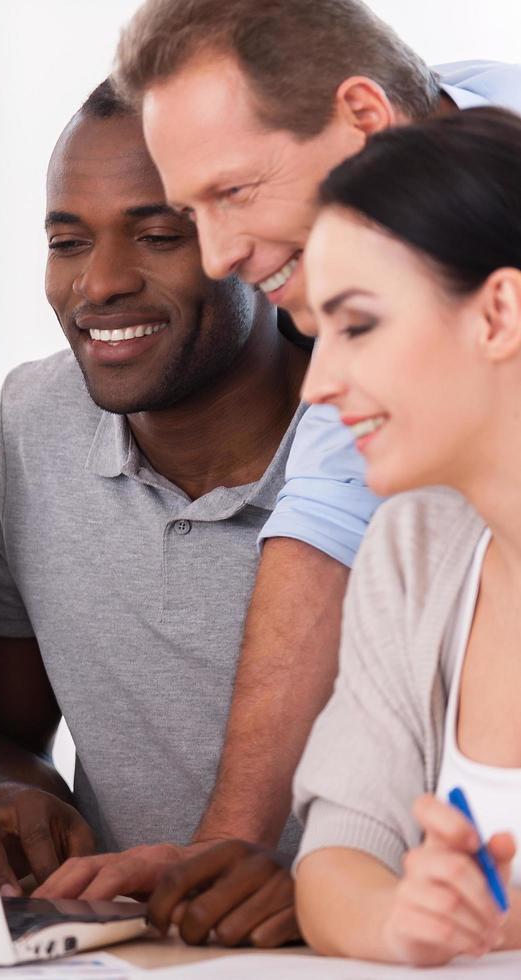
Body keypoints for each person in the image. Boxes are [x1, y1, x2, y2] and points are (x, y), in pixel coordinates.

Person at [100, 0, 521, 928]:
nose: (214, 258)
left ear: (364, 121)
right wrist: (237, 856)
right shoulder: (418, 537)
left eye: (234, 192)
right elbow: (326, 512)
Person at [0, 81, 307, 947]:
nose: (101, 282)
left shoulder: (385, 437)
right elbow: (8, 731)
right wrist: (17, 793)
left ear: (255, 241)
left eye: (158, 235)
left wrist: (327, 888)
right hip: (124, 950)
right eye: (66, 241)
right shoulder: (28, 425)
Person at [293, 107, 521, 967]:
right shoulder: (414, 548)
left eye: (356, 325)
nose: (316, 384)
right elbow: (334, 861)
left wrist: (501, 917)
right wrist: (406, 919)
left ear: (496, 313)